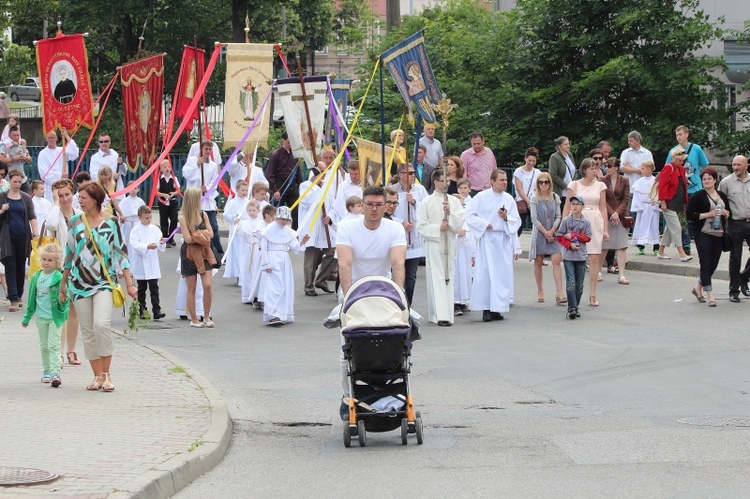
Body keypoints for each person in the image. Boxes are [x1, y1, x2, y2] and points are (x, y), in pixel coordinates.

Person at [60, 181, 138, 392]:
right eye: (79, 197)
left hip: (104, 282)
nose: (79, 200)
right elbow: (68, 253)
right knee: (87, 330)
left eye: (83, 197)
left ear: (96, 199)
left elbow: (121, 254)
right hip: (79, 283)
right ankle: (96, 376)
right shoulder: (75, 221)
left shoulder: (112, 222)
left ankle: (107, 374)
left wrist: (129, 284)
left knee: (101, 325)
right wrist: (63, 284)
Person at [336, 185, 407, 404]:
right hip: (354, 295)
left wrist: (399, 295)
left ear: (386, 206)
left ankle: (393, 395)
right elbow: (344, 264)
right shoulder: (346, 227)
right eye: (369, 205)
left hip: (385, 295)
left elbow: (398, 263)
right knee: (347, 349)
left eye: (378, 205)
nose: (374, 209)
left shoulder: (394, 229)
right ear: (362, 206)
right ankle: (348, 398)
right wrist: (349, 299)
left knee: (394, 345)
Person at [465, 169, 520, 321]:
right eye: (501, 180)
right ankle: (486, 309)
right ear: (492, 181)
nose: (505, 182)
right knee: (486, 275)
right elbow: (469, 214)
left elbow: (516, 220)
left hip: (502, 240)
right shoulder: (482, 197)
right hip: (487, 240)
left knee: (501, 275)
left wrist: (506, 217)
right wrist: (484, 224)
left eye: (506, 180)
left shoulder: (508, 198)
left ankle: (498, 308)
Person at [416, 170, 465, 326]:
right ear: (436, 182)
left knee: (448, 276)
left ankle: (447, 312)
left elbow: (459, 224)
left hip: (449, 242)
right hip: (435, 243)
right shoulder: (426, 202)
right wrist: (438, 228)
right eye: (444, 181)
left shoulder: (454, 201)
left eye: (449, 181)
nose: (448, 184)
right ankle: (440, 314)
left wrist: (450, 214)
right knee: (437, 277)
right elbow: (421, 226)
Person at [22, 243, 70, 387]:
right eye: (43, 259)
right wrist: (27, 317)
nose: (46, 263)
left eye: (49, 260)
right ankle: (46, 371)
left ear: (57, 262)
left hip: (55, 317)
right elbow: (31, 299)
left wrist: (63, 300)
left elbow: (65, 299)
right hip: (41, 317)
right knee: (44, 346)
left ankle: (56, 373)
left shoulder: (59, 277)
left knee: (53, 345)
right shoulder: (36, 277)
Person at [44, 179, 82, 366]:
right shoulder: (55, 214)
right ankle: (58, 353)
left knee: (73, 310)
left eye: (67, 194)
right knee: (60, 310)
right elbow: (50, 224)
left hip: (78, 268)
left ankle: (72, 350)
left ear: (73, 193)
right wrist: (56, 203)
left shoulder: (81, 214)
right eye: (61, 196)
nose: (65, 198)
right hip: (60, 268)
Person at [562, 158, 608, 307]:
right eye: (591, 168)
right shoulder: (574, 185)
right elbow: (567, 206)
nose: (594, 171)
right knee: (575, 257)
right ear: (584, 170)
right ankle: (574, 291)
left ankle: (593, 293)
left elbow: (603, 208)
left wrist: (605, 229)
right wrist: (564, 227)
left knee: (594, 257)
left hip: (594, 220)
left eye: (596, 168)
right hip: (576, 220)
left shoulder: (600, 185)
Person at [686, 168, 730, 307]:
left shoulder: (721, 195)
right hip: (703, 232)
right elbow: (690, 215)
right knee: (705, 263)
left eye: (709, 178)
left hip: (719, 233)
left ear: (715, 180)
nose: (706, 181)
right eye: (704, 179)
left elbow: (729, 212)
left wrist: (725, 213)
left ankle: (698, 286)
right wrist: (708, 214)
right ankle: (710, 295)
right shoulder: (698, 195)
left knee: (714, 263)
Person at [258, 206, 309, 325]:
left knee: (285, 286)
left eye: (286, 220)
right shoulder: (268, 230)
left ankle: (283, 313)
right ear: (277, 217)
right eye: (282, 219)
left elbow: (295, 247)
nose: (284, 222)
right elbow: (263, 248)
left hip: (284, 259)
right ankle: (272, 314)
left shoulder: (288, 232)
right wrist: (266, 264)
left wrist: (303, 242)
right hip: (272, 258)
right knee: (274, 286)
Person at [667, 125, 710, 256]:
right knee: (683, 219)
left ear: (686, 134)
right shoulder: (673, 151)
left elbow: (705, 165)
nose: (678, 137)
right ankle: (686, 244)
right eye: (677, 135)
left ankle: (700, 241)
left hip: (696, 188)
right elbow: (668, 168)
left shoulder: (696, 149)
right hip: (681, 191)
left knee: (697, 217)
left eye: (680, 134)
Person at [0, 170, 38, 312]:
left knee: (20, 266)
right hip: (7, 237)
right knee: (10, 265)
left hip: (23, 237)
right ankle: (13, 298)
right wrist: (2, 210)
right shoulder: (2, 197)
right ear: (9, 180)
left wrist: (35, 233)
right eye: (14, 181)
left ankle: (20, 295)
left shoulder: (26, 198)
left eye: (19, 182)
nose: (17, 184)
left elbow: (32, 216)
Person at [178, 187, 216, 328]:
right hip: (190, 253)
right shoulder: (183, 217)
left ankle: (206, 316)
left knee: (207, 285)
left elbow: (211, 233)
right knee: (191, 287)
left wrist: (198, 235)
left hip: (205, 252)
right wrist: (202, 235)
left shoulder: (203, 214)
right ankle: (194, 319)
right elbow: (188, 239)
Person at [392, 162, 428, 305]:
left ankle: (408, 304)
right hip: (398, 237)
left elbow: (427, 209)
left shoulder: (420, 190)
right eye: (410, 173)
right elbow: (387, 212)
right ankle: (396, 302)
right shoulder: (392, 190)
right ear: (401, 174)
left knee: (411, 275)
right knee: (397, 271)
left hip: (414, 237)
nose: (413, 175)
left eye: (413, 173)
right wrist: (401, 222)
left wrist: (413, 202)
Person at [528, 172, 564, 304]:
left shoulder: (555, 197)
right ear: (537, 184)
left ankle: (560, 292)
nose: (544, 184)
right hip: (540, 233)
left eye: (546, 182)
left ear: (550, 183)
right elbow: (534, 218)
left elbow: (558, 216)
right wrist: (545, 232)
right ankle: (540, 290)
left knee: (556, 261)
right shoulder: (534, 198)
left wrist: (552, 231)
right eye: (541, 182)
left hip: (552, 232)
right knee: (538, 261)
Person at [299, 172, 337, 297]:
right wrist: (316, 186)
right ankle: (308, 286)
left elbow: (332, 205)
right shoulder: (305, 186)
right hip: (311, 228)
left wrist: (330, 216)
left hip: (324, 227)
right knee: (311, 258)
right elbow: (309, 201)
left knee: (332, 253)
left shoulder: (328, 187)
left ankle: (321, 280)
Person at [182, 140, 223, 256]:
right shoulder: (192, 161)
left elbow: (215, 181)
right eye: (206, 149)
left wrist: (208, 188)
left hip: (207, 199)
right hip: (194, 199)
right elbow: (186, 174)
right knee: (194, 226)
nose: (208, 152)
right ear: (201, 149)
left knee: (213, 226)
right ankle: (194, 250)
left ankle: (217, 251)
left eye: (210, 149)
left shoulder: (213, 165)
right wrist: (196, 164)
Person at [719, 155, 750, 303]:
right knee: (735, 258)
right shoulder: (726, 182)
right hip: (735, 223)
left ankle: (744, 276)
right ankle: (734, 290)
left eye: (739, 165)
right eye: (734, 165)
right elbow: (718, 200)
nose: (736, 167)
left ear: (746, 166)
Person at [556, 195, 593, 320]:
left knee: (579, 284)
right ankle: (571, 307)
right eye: (573, 204)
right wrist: (569, 244)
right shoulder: (566, 220)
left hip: (581, 257)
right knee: (570, 282)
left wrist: (574, 235)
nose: (575, 206)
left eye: (577, 204)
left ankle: (576, 305)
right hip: (568, 256)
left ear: (582, 206)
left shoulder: (586, 222)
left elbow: (588, 237)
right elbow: (560, 236)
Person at [129, 206, 166, 320]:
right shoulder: (135, 230)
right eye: (146, 218)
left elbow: (160, 243)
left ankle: (156, 310)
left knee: (154, 288)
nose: (149, 220)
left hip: (152, 262)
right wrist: (146, 247)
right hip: (141, 263)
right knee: (142, 289)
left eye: (150, 217)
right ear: (140, 217)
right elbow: (134, 244)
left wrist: (161, 242)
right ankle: (142, 310)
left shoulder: (154, 229)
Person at [656, 147, 692, 262]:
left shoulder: (680, 169)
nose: (682, 162)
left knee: (669, 229)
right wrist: (663, 202)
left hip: (678, 204)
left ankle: (661, 251)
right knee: (676, 227)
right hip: (669, 203)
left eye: (683, 160)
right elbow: (662, 186)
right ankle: (682, 253)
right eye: (680, 160)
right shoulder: (668, 168)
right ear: (674, 158)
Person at [601, 157, 631, 284]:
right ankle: (597, 271)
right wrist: (611, 213)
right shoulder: (602, 180)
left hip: (621, 216)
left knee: (621, 245)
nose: (607, 168)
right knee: (604, 245)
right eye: (606, 165)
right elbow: (602, 199)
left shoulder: (624, 180)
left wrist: (617, 213)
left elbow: (626, 198)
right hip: (607, 214)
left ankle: (622, 275)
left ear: (616, 168)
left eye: (609, 166)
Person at [266, 131, 303, 230]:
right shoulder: (276, 154)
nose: (290, 142)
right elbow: (269, 174)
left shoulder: (295, 155)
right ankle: (275, 232)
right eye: (288, 140)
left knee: (297, 211)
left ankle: (294, 234)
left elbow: (298, 172)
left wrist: (301, 187)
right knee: (277, 212)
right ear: (283, 139)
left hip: (292, 187)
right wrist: (275, 190)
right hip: (280, 187)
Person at [37, 129, 79, 203]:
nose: (51, 140)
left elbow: (75, 153)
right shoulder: (43, 153)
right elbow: (44, 173)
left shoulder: (62, 150)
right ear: (46, 139)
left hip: (64, 184)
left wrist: (66, 135)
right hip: (51, 186)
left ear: (56, 138)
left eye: (53, 137)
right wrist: (60, 175)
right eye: (49, 138)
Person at [630, 161, 661, 255]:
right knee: (641, 227)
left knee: (654, 227)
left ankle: (656, 246)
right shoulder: (639, 182)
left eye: (643, 168)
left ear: (649, 169)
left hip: (653, 207)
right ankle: (641, 246)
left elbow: (658, 194)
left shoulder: (656, 181)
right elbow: (637, 195)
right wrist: (639, 207)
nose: (641, 170)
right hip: (643, 208)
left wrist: (656, 204)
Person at [222, 180, 250, 281]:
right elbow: (226, 215)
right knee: (237, 252)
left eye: (246, 190)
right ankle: (238, 273)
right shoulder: (232, 202)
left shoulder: (248, 202)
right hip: (236, 231)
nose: (245, 192)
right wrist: (233, 218)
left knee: (245, 252)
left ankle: (245, 273)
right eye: (242, 190)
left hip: (246, 230)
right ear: (237, 190)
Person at [239, 201, 265, 306]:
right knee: (247, 270)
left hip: (257, 248)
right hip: (248, 248)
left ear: (258, 211)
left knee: (256, 270)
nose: (251, 213)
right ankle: (247, 295)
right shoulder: (244, 223)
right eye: (249, 211)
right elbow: (242, 236)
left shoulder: (261, 223)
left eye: (253, 210)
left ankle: (256, 295)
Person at [513, 147, 541, 236]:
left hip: (534, 201)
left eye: (533, 161)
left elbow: (538, 188)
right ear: (525, 158)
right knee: (519, 225)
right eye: (529, 160)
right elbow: (519, 188)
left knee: (538, 224)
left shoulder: (538, 172)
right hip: (522, 201)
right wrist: (527, 201)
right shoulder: (518, 171)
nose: (531, 163)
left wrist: (533, 200)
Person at [619, 130, 653, 202]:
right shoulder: (625, 153)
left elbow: (648, 171)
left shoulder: (647, 153)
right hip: (628, 188)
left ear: (637, 141)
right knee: (628, 212)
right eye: (628, 140)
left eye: (631, 141)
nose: (629, 142)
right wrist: (640, 170)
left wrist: (631, 168)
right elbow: (623, 169)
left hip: (642, 189)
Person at [460, 131, 497, 196]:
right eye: (474, 144)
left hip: (489, 189)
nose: (476, 146)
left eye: (478, 143)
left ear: (483, 141)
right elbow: (463, 174)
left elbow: (494, 169)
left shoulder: (489, 152)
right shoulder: (465, 155)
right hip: (474, 190)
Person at [0, 125, 32, 193]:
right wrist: (14, 159)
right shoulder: (5, 145)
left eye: (18, 135)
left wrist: (25, 158)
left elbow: (29, 159)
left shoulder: (21, 145)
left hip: (22, 178)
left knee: (27, 197)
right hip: (9, 179)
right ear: (9, 136)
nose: (16, 137)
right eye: (14, 135)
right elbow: (1, 160)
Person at [156, 160, 179, 247]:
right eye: (165, 167)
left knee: (174, 219)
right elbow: (156, 192)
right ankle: (165, 238)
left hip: (172, 202)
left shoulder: (174, 178)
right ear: (161, 169)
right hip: (163, 203)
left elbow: (178, 190)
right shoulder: (159, 179)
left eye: (168, 167)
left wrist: (173, 194)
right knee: (164, 220)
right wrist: (163, 195)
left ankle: (171, 237)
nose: (167, 168)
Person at [549, 136, 577, 207]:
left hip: (571, 190)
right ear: (559, 146)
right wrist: (565, 186)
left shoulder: (570, 155)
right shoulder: (554, 157)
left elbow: (574, 171)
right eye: (565, 144)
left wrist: (573, 184)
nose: (568, 146)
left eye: (568, 143)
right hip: (561, 192)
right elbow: (553, 175)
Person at [118, 182, 145, 247]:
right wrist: (122, 217)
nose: (133, 190)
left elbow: (144, 211)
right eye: (131, 188)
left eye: (135, 188)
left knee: (137, 239)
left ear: (138, 189)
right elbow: (119, 212)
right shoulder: (124, 201)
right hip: (127, 223)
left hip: (137, 222)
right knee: (127, 240)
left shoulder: (140, 201)